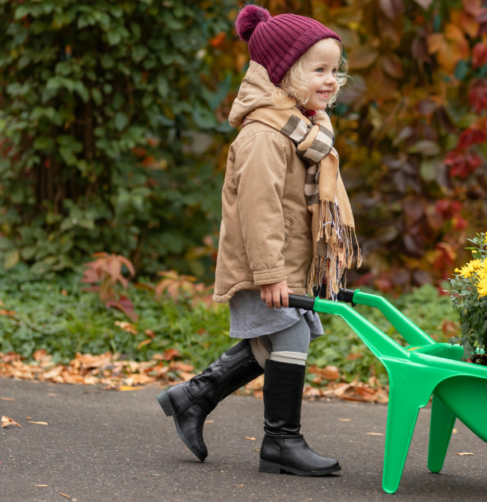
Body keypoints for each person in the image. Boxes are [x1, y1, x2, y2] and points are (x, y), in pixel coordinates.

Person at [156, 4, 361, 477]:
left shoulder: (304, 129)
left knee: (281, 341)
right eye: (320, 70)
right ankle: (281, 442)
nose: (331, 79)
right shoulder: (264, 135)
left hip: (292, 262)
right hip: (267, 263)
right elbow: (258, 209)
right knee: (288, 340)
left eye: (336, 70)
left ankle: (193, 396)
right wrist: (270, 274)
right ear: (284, 74)